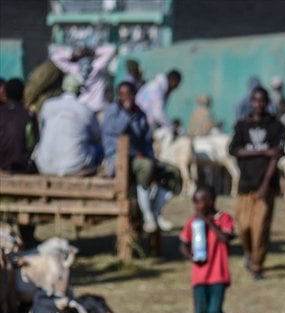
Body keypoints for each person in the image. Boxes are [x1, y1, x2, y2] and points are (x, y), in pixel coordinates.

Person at [103, 80, 182, 233]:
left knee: (172, 172)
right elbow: (117, 131)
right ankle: (147, 216)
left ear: (135, 95)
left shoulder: (140, 114)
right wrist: (126, 113)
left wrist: (150, 155)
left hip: (141, 158)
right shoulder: (113, 112)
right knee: (146, 167)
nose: (126, 98)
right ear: (118, 96)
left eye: (129, 94)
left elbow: (147, 140)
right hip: (118, 160)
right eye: (123, 95)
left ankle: (156, 212)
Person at [229, 86, 285, 280]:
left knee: (260, 228)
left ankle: (257, 266)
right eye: (255, 100)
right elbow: (234, 150)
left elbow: (276, 155)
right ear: (251, 102)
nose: (258, 104)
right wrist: (262, 151)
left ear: (266, 102)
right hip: (245, 184)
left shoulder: (275, 126)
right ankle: (248, 252)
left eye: (262, 100)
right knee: (243, 226)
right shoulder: (242, 125)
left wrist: (265, 185)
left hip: (265, 186)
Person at [179, 185, 236, 313]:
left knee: (214, 312)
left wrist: (208, 222)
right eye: (195, 203)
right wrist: (191, 257)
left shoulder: (223, 218)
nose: (196, 206)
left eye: (199, 202)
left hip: (218, 275)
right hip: (199, 276)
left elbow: (225, 238)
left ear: (210, 201)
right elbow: (183, 244)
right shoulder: (193, 222)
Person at [35, 74, 102, 177]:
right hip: (75, 166)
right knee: (97, 148)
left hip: (44, 166)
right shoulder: (86, 110)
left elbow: (41, 130)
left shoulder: (47, 105)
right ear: (79, 91)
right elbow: (97, 136)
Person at [48, 43, 116, 113]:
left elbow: (56, 57)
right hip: (94, 107)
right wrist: (93, 51)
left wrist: (73, 53)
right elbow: (111, 50)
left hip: (83, 107)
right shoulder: (97, 66)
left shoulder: (74, 69)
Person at [0, 78, 38, 174]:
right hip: (22, 163)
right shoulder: (29, 115)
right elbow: (33, 142)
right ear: (22, 94)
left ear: (6, 94)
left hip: (2, 163)